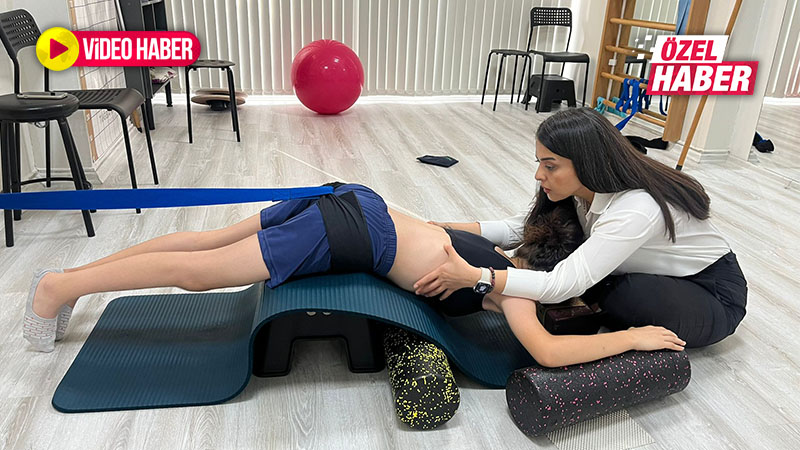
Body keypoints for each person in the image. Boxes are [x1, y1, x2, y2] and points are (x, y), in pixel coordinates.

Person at [24, 182, 684, 365]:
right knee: (202, 274)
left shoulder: (492, 258)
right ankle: (58, 288)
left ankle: (70, 276)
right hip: (350, 232)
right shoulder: (512, 287)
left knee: (208, 241)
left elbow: (450, 228)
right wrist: (633, 338)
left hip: (357, 200)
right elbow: (545, 351)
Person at [415, 107, 747, 349]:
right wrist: (441, 227)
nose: (539, 175)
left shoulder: (636, 207)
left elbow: (561, 286)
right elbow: (518, 228)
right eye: (539, 163)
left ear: (587, 164)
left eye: (550, 166)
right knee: (578, 269)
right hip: (648, 273)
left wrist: (479, 277)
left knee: (617, 295)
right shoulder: (578, 191)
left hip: (712, 293)